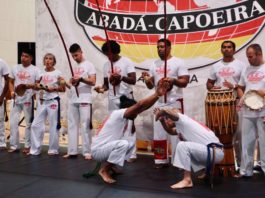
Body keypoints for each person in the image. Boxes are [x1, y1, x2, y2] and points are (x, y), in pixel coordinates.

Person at [91, 78, 170, 183]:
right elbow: (140, 105)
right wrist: (156, 94)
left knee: (130, 143)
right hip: (98, 151)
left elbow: (143, 108)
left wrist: (158, 96)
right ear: (128, 110)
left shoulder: (122, 116)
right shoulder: (117, 114)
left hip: (104, 148)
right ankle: (104, 170)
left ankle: (111, 166)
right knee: (123, 144)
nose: (137, 114)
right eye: (135, 112)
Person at [141, 38, 189, 168]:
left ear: (169, 48)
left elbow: (185, 82)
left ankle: (178, 161)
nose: (159, 49)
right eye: (158, 47)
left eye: (162, 47)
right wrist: (146, 79)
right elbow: (151, 86)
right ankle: (160, 160)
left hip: (175, 102)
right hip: (160, 102)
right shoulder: (154, 64)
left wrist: (173, 80)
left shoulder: (178, 62)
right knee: (159, 132)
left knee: (176, 132)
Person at [154, 108, 224, 189]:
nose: (167, 120)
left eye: (167, 118)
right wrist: (162, 121)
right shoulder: (182, 125)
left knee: (183, 146)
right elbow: (170, 131)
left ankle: (187, 180)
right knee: (191, 146)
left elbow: (167, 111)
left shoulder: (183, 119)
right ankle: (205, 171)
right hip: (213, 152)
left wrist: (161, 113)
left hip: (215, 152)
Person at [206, 40, 247, 170]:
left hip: (236, 102)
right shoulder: (216, 66)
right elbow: (209, 83)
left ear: (234, 50)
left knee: (239, 134)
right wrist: (213, 87)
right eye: (224, 47)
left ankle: (241, 164)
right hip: (220, 106)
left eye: (229, 47)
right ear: (221, 50)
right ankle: (221, 163)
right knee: (220, 134)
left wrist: (234, 86)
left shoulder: (241, 65)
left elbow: (245, 85)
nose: (226, 49)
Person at [94, 40, 137, 162]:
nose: (108, 56)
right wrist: (101, 89)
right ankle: (117, 151)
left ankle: (131, 154)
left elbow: (133, 80)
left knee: (129, 125)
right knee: (115, 125)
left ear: (116, 51)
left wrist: (121, 77)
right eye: (106, 54)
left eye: (110, 54)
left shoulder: (126, 62)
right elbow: (106, 85)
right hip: (112, 98)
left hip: (126, 97)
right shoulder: (106, 65)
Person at [63, 43, 96, 160]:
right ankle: (72, 151)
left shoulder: (89, 65)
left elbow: (93, 82)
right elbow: (71, 84)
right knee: (72, 125)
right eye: (73, 56)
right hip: (73, 98)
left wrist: (81, 79)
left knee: (85, 124)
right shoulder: (74, 67)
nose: (75, 58)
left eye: (76, 55)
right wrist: (65, 82)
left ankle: (87, 151)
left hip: (85, 98)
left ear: (81, 51)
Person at [236, 43, 265, 177]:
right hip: (248, 111)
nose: (249, 59)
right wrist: (244, 99)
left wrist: (261, 92)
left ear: (259, 54)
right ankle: (245, 171)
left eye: (251, 56)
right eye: (247, 57)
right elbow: (240, 87)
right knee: (246, 142)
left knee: (264, 143)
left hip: (263, 111)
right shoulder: (246, 69)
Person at [29, 53, 66, 155]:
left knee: (53, 126)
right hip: (42, 101)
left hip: (53, 101)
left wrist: (53, 88)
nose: (48, 61)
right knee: (35, 125)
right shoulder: (40, 73)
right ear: (44, 61)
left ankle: (53, 150)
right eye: (46, 59)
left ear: (54, 61)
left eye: (50, 59)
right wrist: (36, 87)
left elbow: (63, 88)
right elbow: (36, 86)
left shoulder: (58, 73)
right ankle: (35, 150)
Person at [8, 49, 40, 153]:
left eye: (26, 56)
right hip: (16, 99)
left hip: (28, 99)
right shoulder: (15, 68)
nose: (23, 58)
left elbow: (38, 84)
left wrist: (31, 90)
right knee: (13, 122)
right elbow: (11, 81)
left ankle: (28, 146)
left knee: (28, 123)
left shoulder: (35, 70)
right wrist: (12, 92)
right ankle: (14, 145)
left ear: (31, 58)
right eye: (22, 56)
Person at [0, 58, 9, 150]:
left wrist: (2, 96)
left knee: (0, 120)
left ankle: (1, 142)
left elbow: (7, 80)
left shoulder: (2, 62)